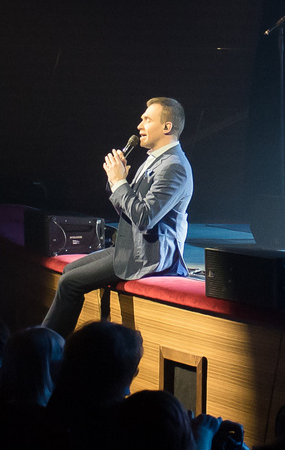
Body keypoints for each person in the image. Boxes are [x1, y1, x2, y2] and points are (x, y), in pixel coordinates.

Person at [45, 98, 194, 337]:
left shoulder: (174, 166)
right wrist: (116, 182)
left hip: (149, 256)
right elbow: (129, 213)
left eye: (147, 120)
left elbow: (144, 218)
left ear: (167, 127)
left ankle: (46, 347)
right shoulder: (155, 160)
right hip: (130, 247)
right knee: (70, 271)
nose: (139, 125)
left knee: (69, 284)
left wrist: (119, 183)